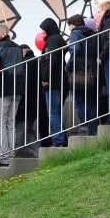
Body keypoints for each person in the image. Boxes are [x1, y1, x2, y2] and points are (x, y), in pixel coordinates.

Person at [0, 23, 24, 165]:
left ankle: (3, 157)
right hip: (17, 89)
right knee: (10, 124)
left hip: (1, 90)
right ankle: (11, 155)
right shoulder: (17, 47)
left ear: (2, 34)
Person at [65, 14, 99, 135]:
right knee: (91, 102)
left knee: (79, 101)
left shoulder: (75, 33)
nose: (69, 29)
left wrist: (68, 67)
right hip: (91, 72)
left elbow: (75, 50)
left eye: (69, 26)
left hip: (79, 72)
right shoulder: (91, 34)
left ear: (73, 25)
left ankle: (84, 127)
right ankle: (94, 130)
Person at [38, 18, 68, 146]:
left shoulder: (53, 40)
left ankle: (59, 140)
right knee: (55, 112)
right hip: (59, 82)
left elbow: (51, 59)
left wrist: (45, 78)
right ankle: (61, 139)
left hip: (54, 83)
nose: (42, 33)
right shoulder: (57, 39)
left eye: (44, 30)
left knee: (53, 113)